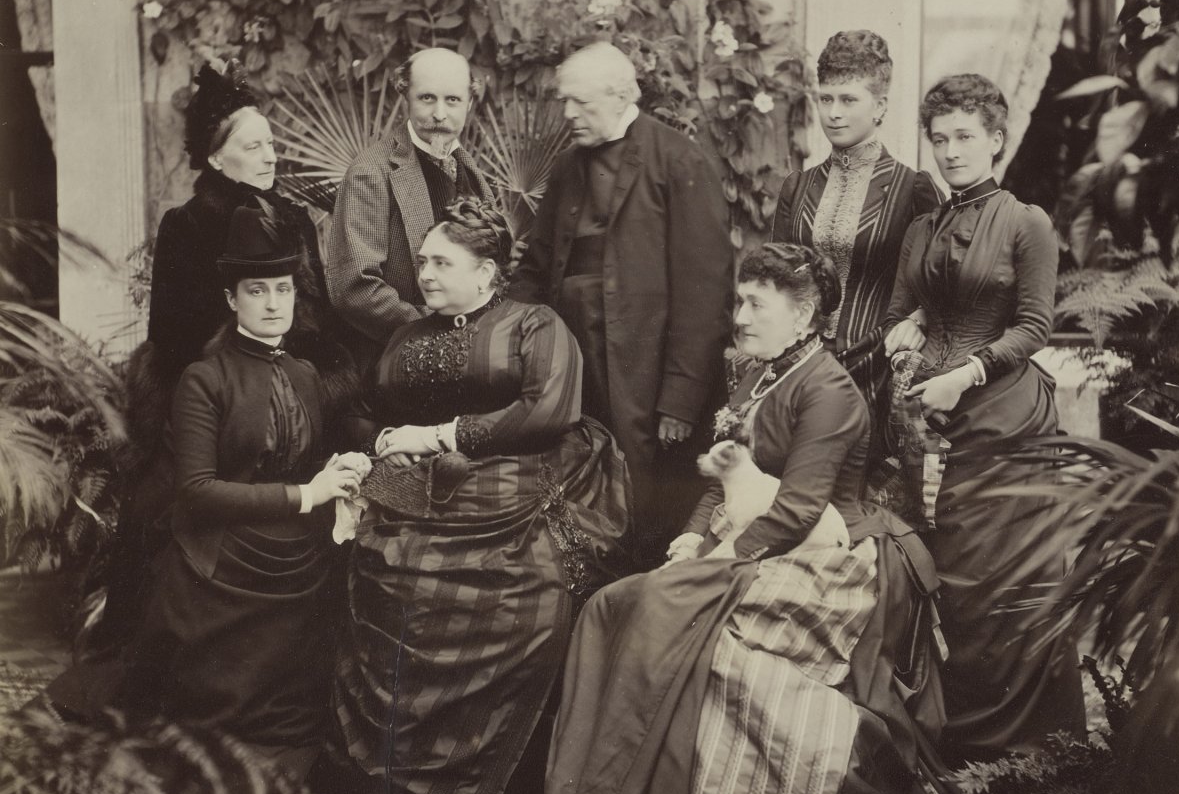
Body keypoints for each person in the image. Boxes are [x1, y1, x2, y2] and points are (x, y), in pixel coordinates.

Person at [544, 243, 947, 794]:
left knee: (665, 610)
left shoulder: (829, 392)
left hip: (830, 556)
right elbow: (723, 477)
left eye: (757, 304)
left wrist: (720, 558)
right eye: (740, 301)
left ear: (805, 315)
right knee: (612, 602)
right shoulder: (761, 373)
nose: (741, 317)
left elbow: (800, 508)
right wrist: (692, 536)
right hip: (758, 539)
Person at [314, 197, 631, 794]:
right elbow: (367, 406)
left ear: (486, 273)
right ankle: (393, 772)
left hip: (523, 485)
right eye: (423, 261)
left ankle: (493, 782)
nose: (425, 274)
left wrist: (440, 436)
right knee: (385, 568)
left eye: (441, 262)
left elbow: (551, 411)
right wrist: (382, 441)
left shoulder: (533, 325)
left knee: (530, 592)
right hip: (422, 493)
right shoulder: (408, 335)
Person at [47, 204, 370, 794]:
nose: (274, 304)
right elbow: (196, 491)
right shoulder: (204, 379)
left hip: (293, 565)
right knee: (206, 747)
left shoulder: (305, 375)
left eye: (283, 290)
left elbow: (308, 468)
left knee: (301, 713)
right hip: (219, 569)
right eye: (257, 291)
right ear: (232, 298)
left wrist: (339, 478)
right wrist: (306, 495)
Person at [99, 60, 354, 647]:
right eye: (253, 145)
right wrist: (246, 366)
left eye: (271, 143)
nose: (270, 156)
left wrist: (299, 370)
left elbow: (314, 312)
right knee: (166, 502)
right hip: (208, 382)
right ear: (216, 158)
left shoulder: (291, 217)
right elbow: (172, 331)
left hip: (296, 372)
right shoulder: (185, 225)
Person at [882, 73, 1085, 765]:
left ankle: (1023, 749)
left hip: (1004, 419)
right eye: (939, 139)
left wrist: (964, 374)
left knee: (1000, 582)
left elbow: (1034, 327)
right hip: (931, 424)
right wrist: (906, 328)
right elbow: (903, 308)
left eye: (964, 136)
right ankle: (958, 744)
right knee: (949, 584)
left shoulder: (1027, 222)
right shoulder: (920, 225)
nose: (950, 151)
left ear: (996, 141)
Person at [509, 42, 734, 564]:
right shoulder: (567, 168)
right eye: (565, 101)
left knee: (649, 505)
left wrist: (681, 397)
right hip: (576, 364)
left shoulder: (678, 159)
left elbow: (707, 288)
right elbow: (537, 268)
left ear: (619, 95)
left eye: (580, 103)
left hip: (649, 372)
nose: (568, 115)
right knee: (582, 491)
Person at [771, 30, 942, 426]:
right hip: (798, 364)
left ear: (880, 106)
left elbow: (935, 286)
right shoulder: (798, 187)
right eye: (826, 99)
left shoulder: (911, 189)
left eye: (849, 100)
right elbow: (775, 280)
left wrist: (917, 320)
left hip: (875, 368)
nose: (834, 113)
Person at [325, 47, 494, 368]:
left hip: (468, 351)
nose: (440, 114)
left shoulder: (470, 169)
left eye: (453, 100)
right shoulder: (372, 172)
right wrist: (432, 332)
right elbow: (355, 286)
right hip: (391, 356)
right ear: (406, 97)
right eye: (427, 98)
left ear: (470, 103)